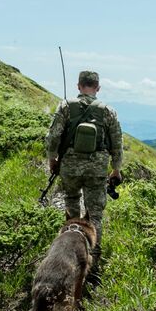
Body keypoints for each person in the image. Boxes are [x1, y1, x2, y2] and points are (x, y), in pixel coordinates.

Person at [45, 70, 123, 252]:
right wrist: (116, 169)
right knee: (95, 214)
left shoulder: (65, 106)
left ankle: (70, 249)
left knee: (72, 205)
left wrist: (52, 159)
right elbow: (117, 143)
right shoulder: (108, 111)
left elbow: (53, 136)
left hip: (69, 167)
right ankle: (93, 257)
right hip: (96, 170)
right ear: (98, 88)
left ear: (78, 86)